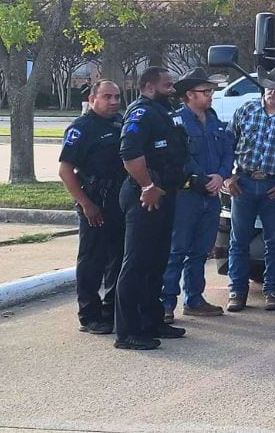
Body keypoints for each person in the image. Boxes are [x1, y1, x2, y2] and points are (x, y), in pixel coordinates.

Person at [115, 67, 189, 351]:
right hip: (144, 195)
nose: (172, 89)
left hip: (164, 192)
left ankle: (152, 321)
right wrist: (146, 185)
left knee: (156, 263)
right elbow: (129, 152)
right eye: (167, 85)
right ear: (148, 86)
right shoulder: (141, 113)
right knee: (135, 264)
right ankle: (128, 332)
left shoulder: (164, 112)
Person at [226, 65, 275, 313]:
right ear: (264, 86)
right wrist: (229, 176)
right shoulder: (246, 110)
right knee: (238, 240)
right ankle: (237, 291)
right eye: (271, 85)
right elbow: (229, 142)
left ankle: (272, 291)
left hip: (273, 185)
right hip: (244, 181)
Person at [161, 69, 233, 322]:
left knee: (201, 251)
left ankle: (195, 299)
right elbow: (181, 157)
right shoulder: (177, 121)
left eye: (211, 91)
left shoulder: (213, 119)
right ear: (189, 94)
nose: (210, 95)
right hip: (188, 194)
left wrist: (221, 176)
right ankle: (167, 302)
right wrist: (205, 179)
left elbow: (227, 150)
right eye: (205, 91)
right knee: (177, 249)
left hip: (211, 194)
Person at [58, 80, 127, 335]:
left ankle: (111, 311)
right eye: (107, 96)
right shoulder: (82, 128)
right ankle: (89, 314)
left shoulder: (120, 122)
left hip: (118, 201)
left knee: (117, 258)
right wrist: (86, 204)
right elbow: (65, 170)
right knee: (92, 260)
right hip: (94, 201)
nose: (113, 101)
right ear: (93, 98)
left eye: (117, 96)